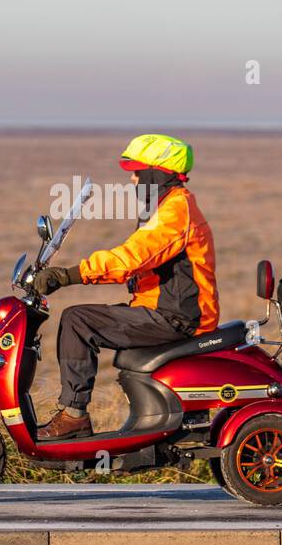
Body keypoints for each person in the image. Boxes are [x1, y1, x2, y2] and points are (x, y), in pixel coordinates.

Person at [30, 133, 218, 439]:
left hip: (177, 319)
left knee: (78, 320)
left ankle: (74, 416)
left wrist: (68, 276)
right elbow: (136, 259)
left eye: (137, 171)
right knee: (82, 318)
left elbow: (130, 259)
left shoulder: (175, 212)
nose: (132, 179)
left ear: (158, 173)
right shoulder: (165, 207)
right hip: (160, 311)